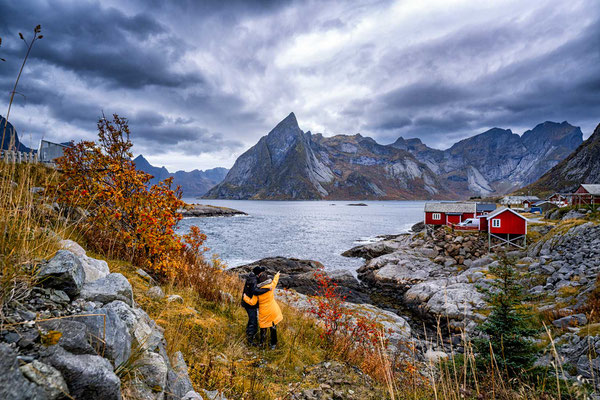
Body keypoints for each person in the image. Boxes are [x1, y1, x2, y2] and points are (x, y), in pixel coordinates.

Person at [243, 271, 283, 349]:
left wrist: (245, 297)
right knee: (273, 327)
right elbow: (275, 281)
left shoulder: (257, 292)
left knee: (263, 328)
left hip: (264, 312)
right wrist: (277, 275)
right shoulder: (271, 286)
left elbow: (252, 302)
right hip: (273, 310)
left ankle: (262, 344)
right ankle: (273, 344)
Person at [241, 266, 270, 346]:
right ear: (258, 273)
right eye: (261, 272)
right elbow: (255, 291)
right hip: (249, 304)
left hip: (249, 303)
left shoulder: (252, 277)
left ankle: (250, 335)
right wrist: (267, 289)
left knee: (252, 319)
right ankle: (249, 340)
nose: (262, 274)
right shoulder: (253, 280)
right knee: (253, 321)